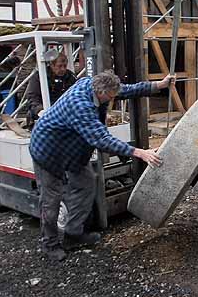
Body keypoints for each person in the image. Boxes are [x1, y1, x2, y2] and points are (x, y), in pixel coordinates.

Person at [30, 70, 174, 262]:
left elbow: (126, 90)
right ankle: (50, 244)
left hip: (72, 150)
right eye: (111, 97)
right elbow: (101, 139)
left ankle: (73, 235)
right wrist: (140, 153)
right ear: (100, 92)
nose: (113, 99)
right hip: (48, 151)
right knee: (51, 200)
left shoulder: (97, 86)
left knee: (87, 184)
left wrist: (158, 85)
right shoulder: (80, 105)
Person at [27, 52, 76, 126]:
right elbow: (32, 97)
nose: (63, 69)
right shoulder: (40, 76)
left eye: (65, 66)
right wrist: (40, 111)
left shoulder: (70, 77)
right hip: (44, 112)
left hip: (64, 112)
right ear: (51, 65)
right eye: (59, 66)